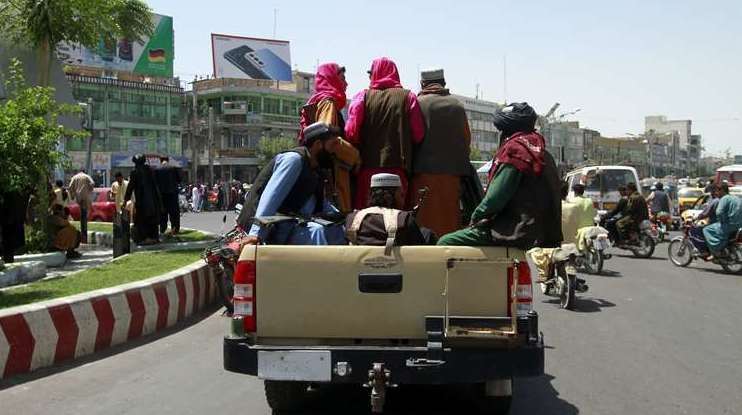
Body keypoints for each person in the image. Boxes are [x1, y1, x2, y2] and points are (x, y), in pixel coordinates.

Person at [437, 102, 562, 248]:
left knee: (445, 242)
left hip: (515, 232)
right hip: (547, 235)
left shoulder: (515, 152)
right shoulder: (543, 154)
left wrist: (475, 219)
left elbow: (494, 200)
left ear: (504, 132)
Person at [237, 122, 346, 245]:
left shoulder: (315, 170)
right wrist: (255, 234)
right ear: (318, 145)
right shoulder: (293, 160)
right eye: (333, 145)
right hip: (267, 227)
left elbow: (320, 204)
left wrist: (346, 217)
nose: (336, 151)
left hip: (288, 224)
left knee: (336, 228)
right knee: (316, 232)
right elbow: (271, 197)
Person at [345, 57, 425, 208]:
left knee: (366, 219)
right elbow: (418, 134)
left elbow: (351, 132)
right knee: (398, 220)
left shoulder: (362, 97)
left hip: (367, 170)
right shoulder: (408, 97)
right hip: (399, 171)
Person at [409, 68, 471, 236]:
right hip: (452, 176)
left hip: (422, 174)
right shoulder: (457, 105)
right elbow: (466, 140)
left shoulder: (416, 103)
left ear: (423, 84)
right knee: (449, 222)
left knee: (423, 223)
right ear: (443, 83)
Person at [299, 63, 360, 214]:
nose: (346, 83)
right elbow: (327, 138)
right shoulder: (328, 103)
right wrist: (355, 156)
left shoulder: (317, 101)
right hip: (332, 175)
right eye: (342, 79)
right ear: (331, 79)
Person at [346, 173, 431, 249]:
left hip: (358, 265)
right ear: (392, 196)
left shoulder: (352, 218)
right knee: (427, 233)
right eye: (401, 195)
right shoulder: (403, 218)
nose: (403, 200)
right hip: (396, 265)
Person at [123, 154, 162, 245]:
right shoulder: (151, 170)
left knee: (141, 220)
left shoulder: (135, 172)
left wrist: (125, 200)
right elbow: (156, 186)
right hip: (153, 200)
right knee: (152, 220)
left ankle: (144, 238)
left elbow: (130, 188)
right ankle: (154, 237)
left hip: (142, 201)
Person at [702, 183, 742, 259]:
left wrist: (721, 221)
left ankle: (716, 250)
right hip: (739, 225)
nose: (716, 193)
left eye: (717, 191)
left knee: (706, 229)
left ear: (722, 190)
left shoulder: (724, 198)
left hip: (730, 225)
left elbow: (719, 212)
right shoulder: (736, 198)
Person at [68, 168, 94, 243]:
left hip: (78, 196)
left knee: (82, 214)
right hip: (86, 196)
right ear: (84, 171)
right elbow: (92, 183)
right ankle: (84, 234)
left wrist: (72, 195)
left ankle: (83, 233)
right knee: (84, 214)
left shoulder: (75, 177)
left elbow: (70, 187)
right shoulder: (87, 176)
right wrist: (89, 190)